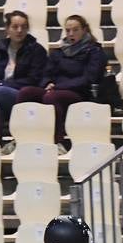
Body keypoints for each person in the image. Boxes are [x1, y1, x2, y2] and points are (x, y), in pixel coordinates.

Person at [14, 14, 107, 153]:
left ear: (84, 30)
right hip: (55, 89)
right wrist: (48, 83)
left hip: (80, 92)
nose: (71, 34)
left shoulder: (94, 51)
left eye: (75, 30)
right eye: (68, 30)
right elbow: (47, 73)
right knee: (26, 92)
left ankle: (58, 141)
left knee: (51, 97)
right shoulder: (59, 52)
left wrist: (58, 87)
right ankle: (20, 137)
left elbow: (89, 78)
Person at [0, 10, 48, 153]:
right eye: (15, 26)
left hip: (23, 96)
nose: (19, 30)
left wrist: (0, 84)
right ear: (7, 29)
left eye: (23, 27)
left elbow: (34, 80)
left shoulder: (36, 50)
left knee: (0, 91)